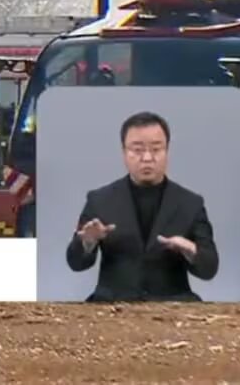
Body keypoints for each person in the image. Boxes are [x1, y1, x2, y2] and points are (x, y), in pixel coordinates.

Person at [65, 110, 219, 301]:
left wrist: (190, 250)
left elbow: (209, 268)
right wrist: (87, 243)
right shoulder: (99, 200)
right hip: (111, 307)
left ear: (167, 151)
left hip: (174, 306)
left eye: (156, 149)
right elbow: (76, 263)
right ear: (124, 152)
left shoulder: (190, 203)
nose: (147, 158)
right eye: (137, 150)